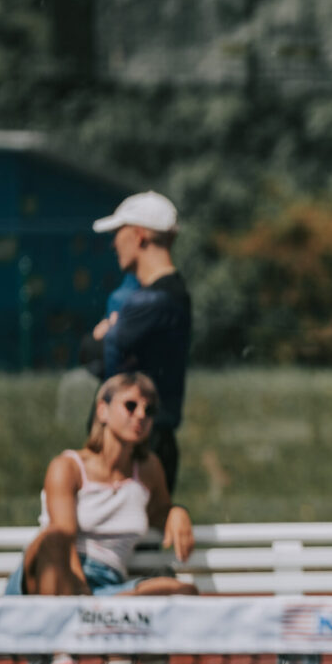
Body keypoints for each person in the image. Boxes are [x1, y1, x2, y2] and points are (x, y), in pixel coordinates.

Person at [8, 372, 196, 664]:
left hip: (107, 588)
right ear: (102, 409)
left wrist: (177, 512)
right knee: (51, 539)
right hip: (50, 579)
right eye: (131, 405)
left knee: (181, 591)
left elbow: (160, 511)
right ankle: (63, 656)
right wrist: (80, 594)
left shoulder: (149, 470)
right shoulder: (67, 466)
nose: (141, 415)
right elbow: (63, 535)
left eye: (149, 410)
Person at [90, 191, 192, 494]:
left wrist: (105, 336)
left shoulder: (154, 301)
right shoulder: (168, 296)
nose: (113, 244)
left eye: (118, 232)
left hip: (140, 448)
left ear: (138, 235)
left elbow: (93, 353)